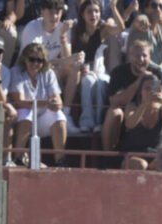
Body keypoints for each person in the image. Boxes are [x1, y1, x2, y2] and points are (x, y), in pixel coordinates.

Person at [19, 0, 81, 122]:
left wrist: (63, 35)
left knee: (75, 70)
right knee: (50, 71)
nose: (55, 17)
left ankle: (67, 114)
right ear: (42, 12)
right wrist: (63, 61)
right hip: (28, 71)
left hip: (49, 69)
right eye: (50, 12)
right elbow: (35, 60)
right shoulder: (32, 27)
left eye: (58, 12)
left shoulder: (63, 28)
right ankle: (50, 111)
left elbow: (68, 61)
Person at [9, 41, 68, 166]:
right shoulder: (16, 71)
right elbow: (20, 102)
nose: (35, 63)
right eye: (32, 59)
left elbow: (58, 102)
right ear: (24, 59)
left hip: (41, 121)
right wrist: (47, 103)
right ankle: (17, 159)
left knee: (59, 116)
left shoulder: (48, 73)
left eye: (39, 60)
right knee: (26, 113)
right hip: (20, 121)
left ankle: (60, 160)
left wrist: (53, 104)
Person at [69, 0, 116, 133]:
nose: (93, 15)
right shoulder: (76, 31)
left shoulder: (103, 29)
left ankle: (99, 121)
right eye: (89, 11)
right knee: (88, 81)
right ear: (83, 15)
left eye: (96, 11)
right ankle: (86, 121)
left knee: (101, 82)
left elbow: (120, 28)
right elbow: (71, 54)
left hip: (100, 70)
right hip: (83, 71)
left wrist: (113, 9)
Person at [119, 70, 162, 168]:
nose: (150, 92)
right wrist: (144, 104)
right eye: (147, 88)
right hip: (132, 156)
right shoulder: (132, 107)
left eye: (153, 88)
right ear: (140, 91)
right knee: (141, 165)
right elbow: (130, 124)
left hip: (155, 155)